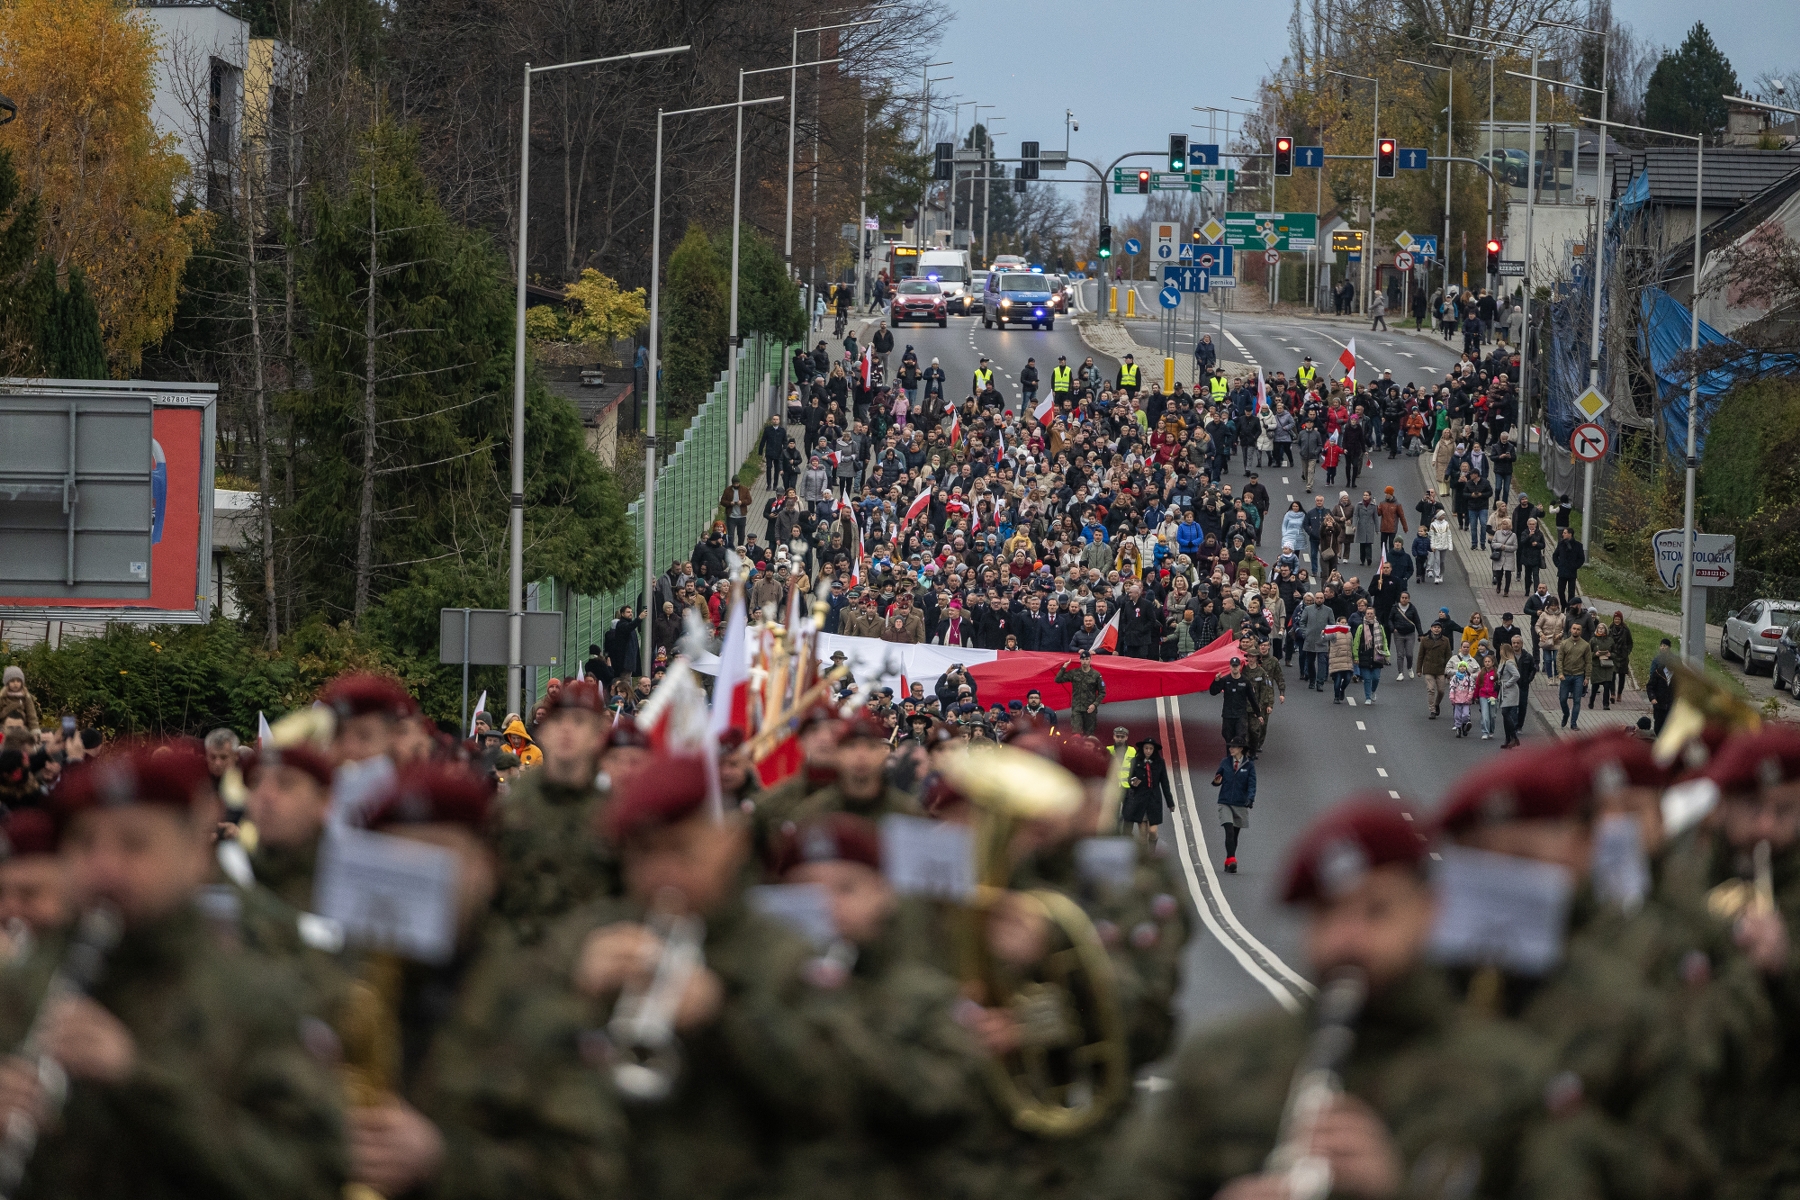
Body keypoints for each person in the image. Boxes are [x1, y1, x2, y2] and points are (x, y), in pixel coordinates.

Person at [1110, 797, 1561, 1200]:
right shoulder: (1220, 1065)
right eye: (1327, 913)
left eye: (1377, 910)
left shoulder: (1509, 1077)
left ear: (1431, 908)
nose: (1349, 939)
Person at [0, 745, 348, 1198]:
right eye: (85, 842)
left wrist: (141, 1083)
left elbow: (311, 1177)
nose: (105, 867)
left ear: (193, 854)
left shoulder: (256, 996)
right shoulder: (20, 985)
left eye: (134, 844)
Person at [1209, 740, 1255, 873]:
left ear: (1241, 749)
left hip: (1240, 803)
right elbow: (1218, 778)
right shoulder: (1225, 762)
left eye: (1234, 747)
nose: (1231, 749)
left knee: (1234, 835)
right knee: (1228, 831)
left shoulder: (1249, 765)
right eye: (1230, 746)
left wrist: (1250, 798)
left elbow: (1252, 784)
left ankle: (1228, 862)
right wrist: (1217, 781)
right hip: (1225, 802)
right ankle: (1231, 859)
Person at [1124, 738, 1173, 847]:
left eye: (1151, 748)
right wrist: (1136, 782)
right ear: (1142, 749)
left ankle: (1152, 849)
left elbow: (1164, 783)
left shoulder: (1159, 763)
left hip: (1154, 801)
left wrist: (1170, 803)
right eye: (1146, 748)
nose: (1148, 751)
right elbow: (1130, 778)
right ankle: (1147, 857)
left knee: (1153, 831)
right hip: (1140, 800)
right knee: (1142, 833)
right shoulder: (1135, 761)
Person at [1054, 649, 1106, 737]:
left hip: (1090, 709)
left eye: (1087, 659)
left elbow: (1102, 692)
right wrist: (1064, 667)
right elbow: (1058, 680)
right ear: (1080, 660)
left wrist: (1094, 705)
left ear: (1090, 660)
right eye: (1083, 659)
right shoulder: (1074, 673)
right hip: (1077, 708)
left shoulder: (1096, 675)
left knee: (1089, 735)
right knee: (1076, 733)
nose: (1085, 661)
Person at [1557, 617, 1591, 730]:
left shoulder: (1585, 645)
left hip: (1578, 676)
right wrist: (1560, 673)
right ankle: (1566, 714)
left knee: (1577, 700)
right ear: (1570, 630)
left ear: (1581, 632)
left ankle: (1573, 723)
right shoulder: (1564, 643)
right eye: (1574, 629)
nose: (1575, 631)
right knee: (1562, 699)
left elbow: (1588, 662)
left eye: (1578, 629)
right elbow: (1559, 659)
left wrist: (1587, 677)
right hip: (1565, 675)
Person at [1352, 608, 1388, 704]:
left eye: (1371, 613)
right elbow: (1356, 642)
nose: (1370, 615)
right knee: (1367, 679)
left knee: (1376, 678)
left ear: (1374, 614)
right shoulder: (1361, 627)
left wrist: (1386, 653)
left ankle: (1373, 691)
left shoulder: (1379, 626)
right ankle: (1367, 697)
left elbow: (1384, 640)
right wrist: (1355, 656)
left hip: (1377, 655)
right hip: (1364, 655)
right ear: (1365, 615)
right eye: (1368, 613)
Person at [1552, 526, 1585, 607]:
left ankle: (1570, 607)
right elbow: (1555, 555)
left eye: (1565, 533)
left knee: (1571, 592)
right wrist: (1558, 565)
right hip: (1562, 571)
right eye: (1563, 533)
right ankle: (1563, 605)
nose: (1563, 534)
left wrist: (1575, 566)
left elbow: (1581, 558)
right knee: (1560, 590)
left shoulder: (1578, 545)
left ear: (1570, 534)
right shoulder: (1561, 544)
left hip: (1571, 572)